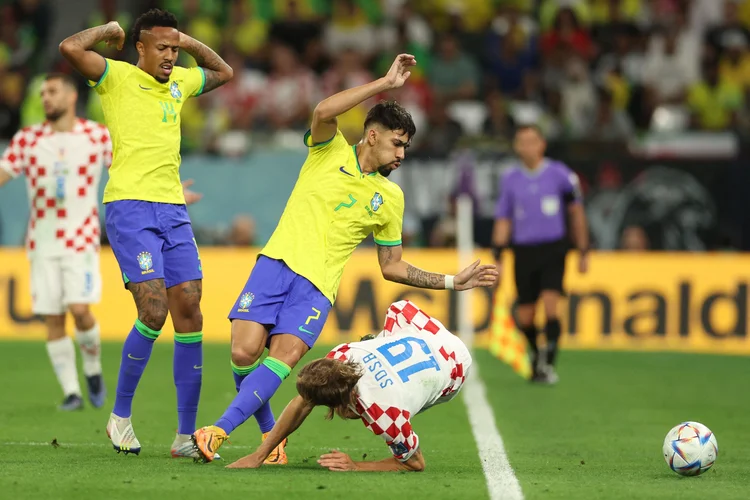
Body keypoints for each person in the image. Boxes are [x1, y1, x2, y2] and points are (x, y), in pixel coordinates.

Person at [191, 54, 497, 464]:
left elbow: (392, 266)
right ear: (372, 135)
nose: (402, 155)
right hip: (274, 264)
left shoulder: (390, 197)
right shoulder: (328, 149)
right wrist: (383, 84)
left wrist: (450, 281)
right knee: (244, 354)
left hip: (317, 288)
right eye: (397, 143)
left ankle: (219, 430)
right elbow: (323, 110)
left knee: (284, 357)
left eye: (406, 147)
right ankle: (272, 439)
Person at [59, 8, 233, 457]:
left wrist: (189, 42)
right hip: (129, 207)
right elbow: (70, 48)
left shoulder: (180, 83)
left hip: (172, 208)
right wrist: (108, 31)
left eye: (174, 49)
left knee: (190, 310)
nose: (170, 57)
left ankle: (184, 438)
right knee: (154, 309)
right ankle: (119, 419)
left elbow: (223, 71)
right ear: (140, 47)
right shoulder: (114, 76)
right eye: (162, 48)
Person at [224, 300, 471, 472]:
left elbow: (415, 464)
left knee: (387, 410)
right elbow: (302, 402)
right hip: (428, 334)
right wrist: (260, 454)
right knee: (399, 308)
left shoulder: (385, 414)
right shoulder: (343, 354)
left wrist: (356, 465)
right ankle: (379, 346)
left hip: (456, 365)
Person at [0, 73, 109, 411]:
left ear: (72, 96)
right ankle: (72, 392)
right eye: (42, 92)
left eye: (52, 91)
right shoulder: (29, 139)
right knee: (53, 318)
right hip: (43, 242)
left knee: (80, 310)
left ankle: (92, 369)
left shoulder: (96, 135)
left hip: (82, 238)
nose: (45, 98)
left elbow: (126, 169)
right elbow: (4, 172)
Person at [492, 124, 589, 384]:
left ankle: (549, 361)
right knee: (525, 314)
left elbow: (576, 213)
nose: (527, 146)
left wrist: (582, 249)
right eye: (522, 141)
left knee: (550, 304)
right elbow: (504, 218)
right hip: (523, 251)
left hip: (553, 248)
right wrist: (498, 256)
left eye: (532, 141)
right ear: (516, 146)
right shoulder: (511, 179)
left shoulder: (560, 175)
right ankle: (537, 355)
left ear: (542, 144)